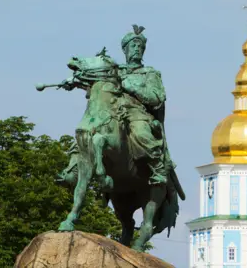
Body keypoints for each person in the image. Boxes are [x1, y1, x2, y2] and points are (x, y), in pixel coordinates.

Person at [58, 25, 173, 186]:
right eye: (133, 46)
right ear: (125, 50)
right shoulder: (116, 70)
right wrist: (74, 81)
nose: (137, 49)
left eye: (140, 47)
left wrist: (131, 87)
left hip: (137, 113)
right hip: (112, 110)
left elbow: (157, 97)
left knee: (141, 134)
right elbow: (95, 80)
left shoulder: (149, 73)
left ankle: (158, 169)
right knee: (85, 134)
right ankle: (74, 169)